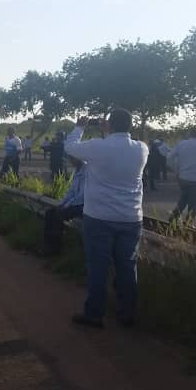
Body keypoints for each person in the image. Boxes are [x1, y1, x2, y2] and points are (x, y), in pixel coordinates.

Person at [64, 109, 148, 329]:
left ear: (109, 125)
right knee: (127, 267)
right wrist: (108, 131)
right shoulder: (142, 149)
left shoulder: (98, 146)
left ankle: (94, 314)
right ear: (130, 126)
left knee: (98, 267)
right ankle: (126, 313)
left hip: (99, 216)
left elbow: (70, 146)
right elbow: (116, 153)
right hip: (131, 217)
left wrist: (80, 127)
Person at [44, 156, 85, 255]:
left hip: (83, 205)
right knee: (50, 212)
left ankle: (55, 249)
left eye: (72, 159)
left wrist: (66, 205)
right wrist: (62, 203)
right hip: (76, 203)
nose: (70, 161)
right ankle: (49, 245)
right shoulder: (77, 170)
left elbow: (82, 196)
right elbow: (71, 191)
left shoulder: (87, 172)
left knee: (57, 215)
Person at [168, 127, 196, 224]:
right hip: (195, 177)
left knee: (184, 198)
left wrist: (176, 170)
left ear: (189, 134)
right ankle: (188, 224)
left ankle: (174, 217)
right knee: (192, 203)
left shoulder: (181, 144)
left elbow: (169, 157)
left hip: (183, 176)